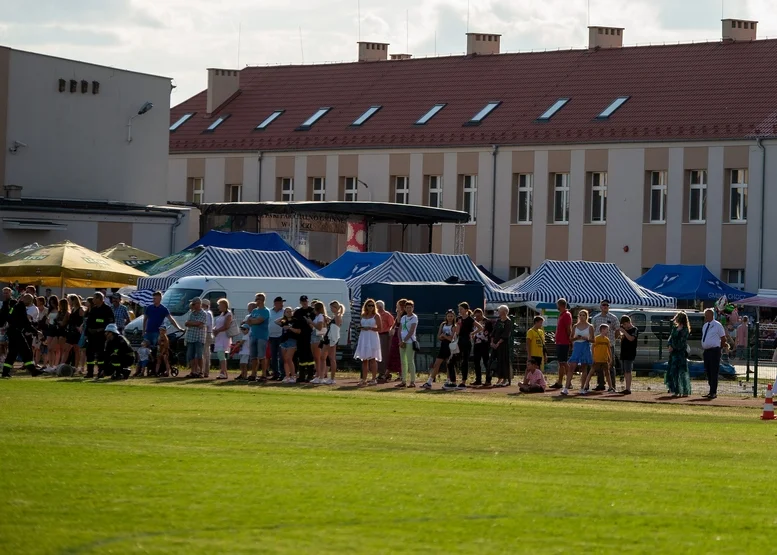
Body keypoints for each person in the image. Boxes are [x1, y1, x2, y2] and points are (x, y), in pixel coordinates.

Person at [1, 294, 43, 378]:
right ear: (25, 300)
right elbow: (25, 322)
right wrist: (36, 331)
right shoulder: (21, 307)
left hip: (12, 331)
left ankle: (5, 371)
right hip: (16, 332)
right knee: (26, 351)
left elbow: (10, 318)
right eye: (30, 300)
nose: (30, 302)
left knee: (12, 353)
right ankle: (33, 370)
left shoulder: (15, 306)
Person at [423, 310, 456, 390]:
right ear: (446, 317)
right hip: (443, 345)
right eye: (448, 316)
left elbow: (452, 338)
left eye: (451, 316)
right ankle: (429, 382)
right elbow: (438, 336)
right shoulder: (443, 324)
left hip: (450, 346)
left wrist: (445, 336)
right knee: (436, 364)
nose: (450, 318)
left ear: (454, 317)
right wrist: (442, 336)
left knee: (449, 364)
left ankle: (448, 381)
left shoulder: (454, 326)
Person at [84, 292, 115, 379]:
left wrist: (101, 329)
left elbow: (110, 322)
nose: (93, 300)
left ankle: (100, 372)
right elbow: (89, 322)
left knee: (101, 355)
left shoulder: (107, 309)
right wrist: (87, 332)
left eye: (94, 298)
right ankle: (89, 372)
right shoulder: (93, 309)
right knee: (89, 353)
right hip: (92, 336)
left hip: (101, 336)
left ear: (99, 299)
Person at [563, 309, 593, 396]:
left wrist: (586, 339)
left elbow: (593, 339)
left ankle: (582, 388)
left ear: (586, 316)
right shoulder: (575, 326)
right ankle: (566, 387)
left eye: (583, 315)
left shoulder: (590, 326)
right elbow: (571, 338)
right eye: (580, 315)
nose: (582, 317)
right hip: (577, 347)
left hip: (585, 347)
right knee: (572, 367)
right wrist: (576, 338)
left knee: (584, 368)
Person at [453, 302, 482, 389]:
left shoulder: (470, 319)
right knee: (455, 360)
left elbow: (480, 327)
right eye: (459, 309)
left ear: (466, 310)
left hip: (467, 341)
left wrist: (472, 333)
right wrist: (458, 324)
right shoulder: (459, 318)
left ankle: (463, 381)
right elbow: (457, 332)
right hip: (460, 340)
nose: (460, 311)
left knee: (465, 360)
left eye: (461, 309)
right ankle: (453, 380)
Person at [591, 300, 619, 390]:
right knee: (598, 365)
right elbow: (593, 330)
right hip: (598, 345)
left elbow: (617, 329)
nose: (605, 306)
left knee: (610, 365)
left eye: (607, 305)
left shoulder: (613, 318)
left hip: (609, 344)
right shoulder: (596, 318)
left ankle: (612, 386)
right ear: (600, 307)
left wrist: (614, 339)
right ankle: (601, 385)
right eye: (603, 305)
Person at [700, 308, 727, 400]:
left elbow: (723, 338)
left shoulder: (717, 325)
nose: (705, 317)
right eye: (705, 315)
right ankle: (710, 390)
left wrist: (720, 348)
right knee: (708, 371)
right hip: (706, 351)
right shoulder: (705, 326)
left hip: (714, 351)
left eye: (707, 315)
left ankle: (713, 392)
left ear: (711, 315)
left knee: (714, 372)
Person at [354, 299, 382, 386]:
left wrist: (370, 328)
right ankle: (364, 379)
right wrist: (361, 327)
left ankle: (374, 379)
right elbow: (361, 325)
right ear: (366, 306)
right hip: (364, 337)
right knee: (364, 359)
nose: (371, 307)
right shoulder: (363, 315)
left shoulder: (376, 316)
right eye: (369, 305)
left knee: (372, 359)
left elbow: (380, 328)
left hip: (372, 337)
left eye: (372, 305)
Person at [244, 293, 270, 382]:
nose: (256, 301)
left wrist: (253, 321)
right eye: (256, 299)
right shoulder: (254, 311)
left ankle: (263, 374)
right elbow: (248, 321)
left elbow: (259, 321)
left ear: (262, 300)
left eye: (258, 299)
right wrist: (253, 321)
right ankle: (253, 374)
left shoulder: (266, 311)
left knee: (262, 356)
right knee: (253, 357)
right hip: (253, 335)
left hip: (262, 336)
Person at [582, 324, 614, 394]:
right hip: (597, 359)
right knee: (591, 372)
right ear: (602, 330)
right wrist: (592, 357)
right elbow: (592, 348)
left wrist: (610, 358)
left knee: (607, 373)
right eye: (606, 330)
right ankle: (586, 385)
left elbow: (609, 349)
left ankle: (610, 387)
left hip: (604, 359)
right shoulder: (596, 338)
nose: (607, 331)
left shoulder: (607, 340)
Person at [666, 311, 692, 398]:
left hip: (680, 353)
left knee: (682, 372)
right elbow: (670, 338)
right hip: (673, 354)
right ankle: (675, 390)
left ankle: (684, 390)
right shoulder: (674, 328)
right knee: (673, 372)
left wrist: (674, 347)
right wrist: (669, 345)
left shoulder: (685, 329)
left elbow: (682, 342)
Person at [293, 295, 316, 383]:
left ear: (308, 301)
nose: (304, 302)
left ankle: (310, 374)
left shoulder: (312, 311)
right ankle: (301, 375)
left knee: (309, 356)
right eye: (303, 301)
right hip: (300, 337)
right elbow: (294, 323)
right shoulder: (298, 312)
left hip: (310, 336)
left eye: (305, 301)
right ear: (300, 302)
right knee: (301, 356)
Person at [550, 298, 572, 390]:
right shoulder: (561, 315)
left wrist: (570, 340)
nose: (557, 307)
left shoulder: (566, 315)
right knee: (561, 362)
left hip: (564, 342)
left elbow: (568, 328)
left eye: (558, 305)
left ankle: (569, 382)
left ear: (561, 305)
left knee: (564, 362)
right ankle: (560, 382)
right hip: (559, 341)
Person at [184, 297, 207, 379]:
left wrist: (192, 323)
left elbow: (199, 323)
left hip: (199, 338)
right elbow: (187, 323)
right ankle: (193, 371)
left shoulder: (203, 313)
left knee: (199, 355)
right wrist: (194, 323)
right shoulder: (191, 313)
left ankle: (201, 371)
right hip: (190, 337)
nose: (192, 305)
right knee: (191, 355)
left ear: (198, 304)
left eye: (194, 304)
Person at [397, 300, 418, 388]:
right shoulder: (403, 317)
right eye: (407, 308)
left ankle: (412, 381)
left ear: (413, 308)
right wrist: (400, 340)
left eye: (410, 307)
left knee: (410, 361)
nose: (409, 309)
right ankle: (403, 380)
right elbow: (400, 329)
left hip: (409, 341)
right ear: (405, 308)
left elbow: (411, 331)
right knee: (403, 362)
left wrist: (404, 341)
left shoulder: (414, 317)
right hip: (402, 341)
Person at [322, 301, 344, 385]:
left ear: (335, 308)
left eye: (332, 308)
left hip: (332, 339)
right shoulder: (335, 316)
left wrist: (333, 341)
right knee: (325, 356)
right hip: (329, 338)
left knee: (332, 358)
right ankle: (324, 375)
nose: (331, 309)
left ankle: (332, 378)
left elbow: (336, 328)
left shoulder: (338, 316)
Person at [276, 307, 299, 384]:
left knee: (289, 358)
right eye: (287, 312)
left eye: (290, 311)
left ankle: (293, 375)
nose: (289, 313)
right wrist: (283, 320)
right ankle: (287, 376)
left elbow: (298, 331)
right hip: (284, 340)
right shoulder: (284, 320)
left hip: (291, 340)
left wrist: (290, 328)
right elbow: (276, 321)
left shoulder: (295, 321)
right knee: (285, 359)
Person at [491, 305, 512, 387]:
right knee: (496, 361)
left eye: (499, 311)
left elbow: (506, 334)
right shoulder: (498, 321)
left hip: (503, 345)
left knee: (503, 361)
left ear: (504, 312)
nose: (498, 312)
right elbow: (493, 332)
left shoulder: (508, 322)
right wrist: (492, 342)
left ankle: (505, 379)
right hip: (495, 345)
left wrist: (498, 343)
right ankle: (498, 378)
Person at [618, 315, 639, 395]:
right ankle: (626, 387)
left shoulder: (634, 329)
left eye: (624, 325)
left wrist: (624, 331)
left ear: (628, 323)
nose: (624, 326)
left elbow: (631, 339)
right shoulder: (625, 330)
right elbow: (621, 338)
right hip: (623, 352)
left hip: (630, 352)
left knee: (628, 371)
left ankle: (628, 388)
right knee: (624, 371)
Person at [387, 299, 407, 381]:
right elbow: (395, 324)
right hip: (396, 335)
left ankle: (401, 374)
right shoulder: (400, 314)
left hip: (400, 336)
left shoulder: (404, 315)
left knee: (399, 354)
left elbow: (399, 322)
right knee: (393, 353)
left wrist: (399, 313)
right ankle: (389, 372)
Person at [213, 298, 233, 380]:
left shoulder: (228, 314)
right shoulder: (222, 314)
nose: (218, 307)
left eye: (220, 305)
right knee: (220, 354)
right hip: (219, 337)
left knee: (221, 354)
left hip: (224, 337)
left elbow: (226, 326)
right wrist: (215, 329)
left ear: (224, 305)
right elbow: (218, 324)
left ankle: (223, 372)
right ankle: (224, 372)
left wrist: (217, 330)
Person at [472, 308, 493, 386]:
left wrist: (489, 342)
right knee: (476, 362)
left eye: (478, 316)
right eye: (476, 316)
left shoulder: (487, 322)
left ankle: (488, 380)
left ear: (482, 314)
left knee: (486, 362)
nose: (477, 318)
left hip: (484, 344)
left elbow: (490, 332)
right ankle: (478, 380)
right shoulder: (474, 322)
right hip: (476, 343)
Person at [311, 301, 329, 384]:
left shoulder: (320, 316)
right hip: (314, 335)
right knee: (316, 357)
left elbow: (319, 327)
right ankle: (317, 374)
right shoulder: (318, 316)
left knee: (318, 357)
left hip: (317, 337)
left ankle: (319, 375)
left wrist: (311, 322)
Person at [376, 300, 395, 382]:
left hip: (384, 335)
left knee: (384, 354)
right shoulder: (375, 315)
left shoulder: (387, 315)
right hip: (377, 335)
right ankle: (380, 372)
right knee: (378, 354)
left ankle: (385, 372)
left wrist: (390, 337)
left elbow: (392, 326)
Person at [268, 296, 286, 381]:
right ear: (275, 303)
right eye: (280, 303)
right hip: (271, 336)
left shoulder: (284, 312)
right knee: (273, 356)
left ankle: (283, 373)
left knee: (282, 356)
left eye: (282, 303)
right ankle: (275, 373)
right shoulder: (270, 311)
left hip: (281, 336)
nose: (282, 304)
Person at [201, 299, 215, 378]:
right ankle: (205, 371)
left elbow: (208, 324)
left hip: (207, 334)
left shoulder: (207, 313)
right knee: (207, 353)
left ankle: (204, 371)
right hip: (208, 333)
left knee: (205, 353)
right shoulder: (209, 313)